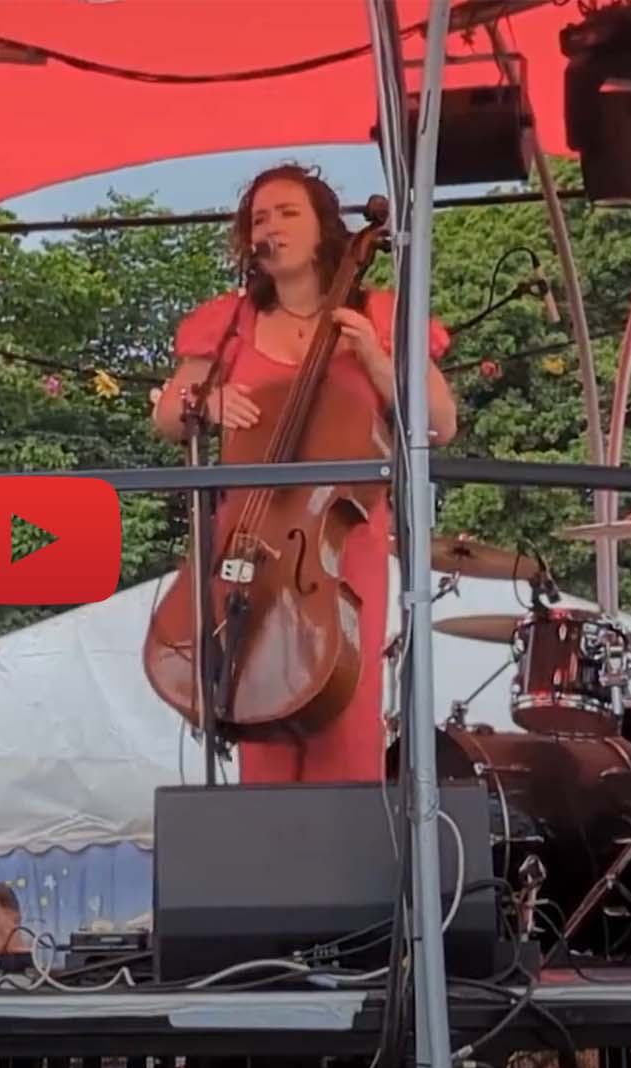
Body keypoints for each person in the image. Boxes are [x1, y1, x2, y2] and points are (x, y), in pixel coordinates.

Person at [150, 163, 456, 785]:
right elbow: (167, 416)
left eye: (288, 212)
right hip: (248, 539)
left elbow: (440, 424)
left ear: (324, 229)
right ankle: (269, 870)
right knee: (254, 699)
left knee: (345, 716)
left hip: (340, 542)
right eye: (259, 217)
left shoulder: (380, 313)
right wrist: (204, 403)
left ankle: (347, 869)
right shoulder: (229, 324)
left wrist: (373, 356)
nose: (271, 226)